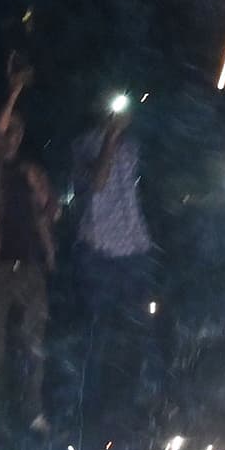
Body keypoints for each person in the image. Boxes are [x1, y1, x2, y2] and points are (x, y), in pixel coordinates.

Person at [0, 62, 59, 450]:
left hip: (31, 269)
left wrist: (50, 210)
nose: (13, 136)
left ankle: (33, 413)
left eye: (19, 131)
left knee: (33, 345)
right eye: (10, 129)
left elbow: (48, 212)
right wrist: (14, 92)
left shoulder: (28, 171)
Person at [72, 97, 160, 431]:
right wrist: (109, 137)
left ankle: (140, 399)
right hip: (101, 252)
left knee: (141, 326)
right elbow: (97, 182)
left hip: (134, 248)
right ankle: (90, 407)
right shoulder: (84, 144)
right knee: (99, 330)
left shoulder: (132, 146)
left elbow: (134, 191)